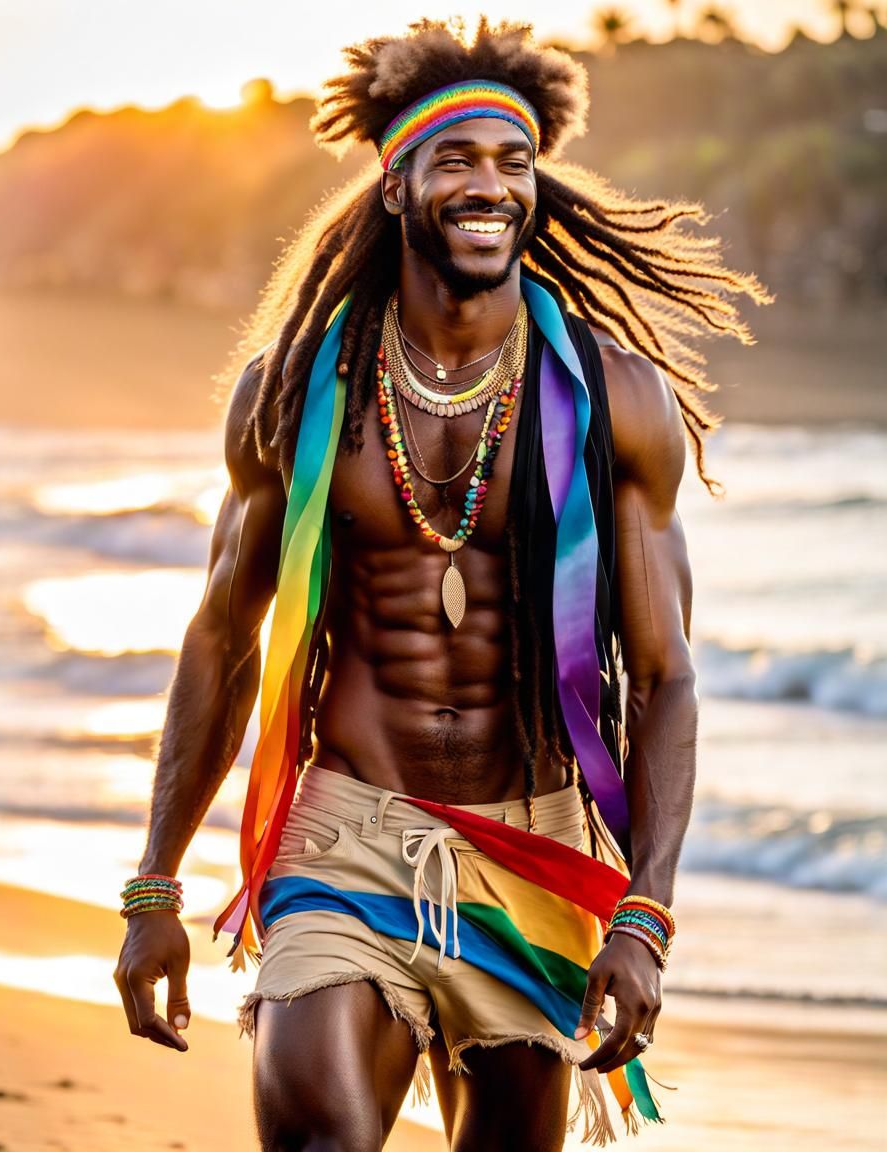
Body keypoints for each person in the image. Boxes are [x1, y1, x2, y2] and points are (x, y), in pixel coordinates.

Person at [114, 19, 766, 1151]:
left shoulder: (615, 403)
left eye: (513, 164)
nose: (490, 186)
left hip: (533, 848)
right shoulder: (296, 395)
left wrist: (644, 918)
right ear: (394, 184)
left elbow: (663, 679)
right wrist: (153, 889)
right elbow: (222, 638)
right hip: (345, 835)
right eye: (455, 159)